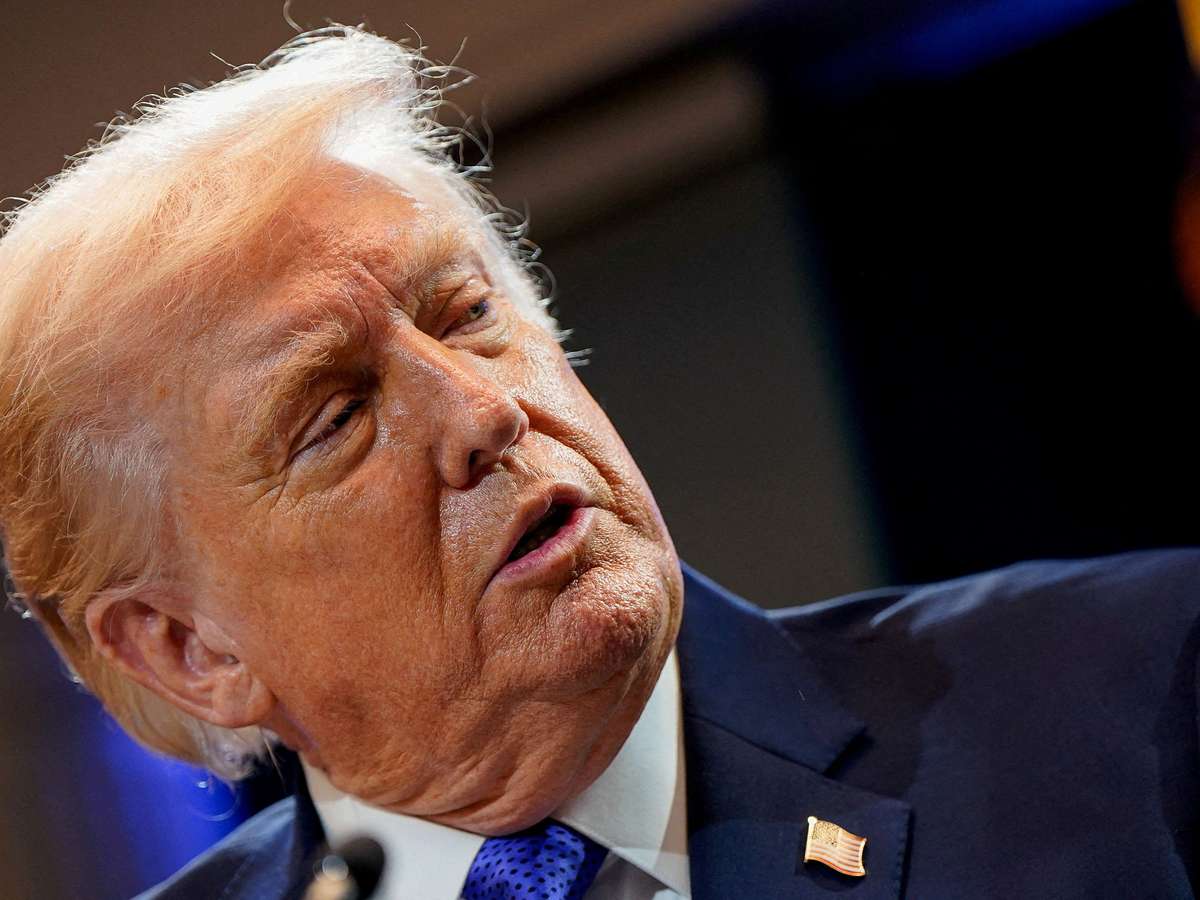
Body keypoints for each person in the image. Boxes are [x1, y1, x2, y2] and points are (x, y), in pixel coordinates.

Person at [0, 26, 1196, 900]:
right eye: (335, 416)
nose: (485, 411)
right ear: (187, 647)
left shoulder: (1144, 691)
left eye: (468, 313)